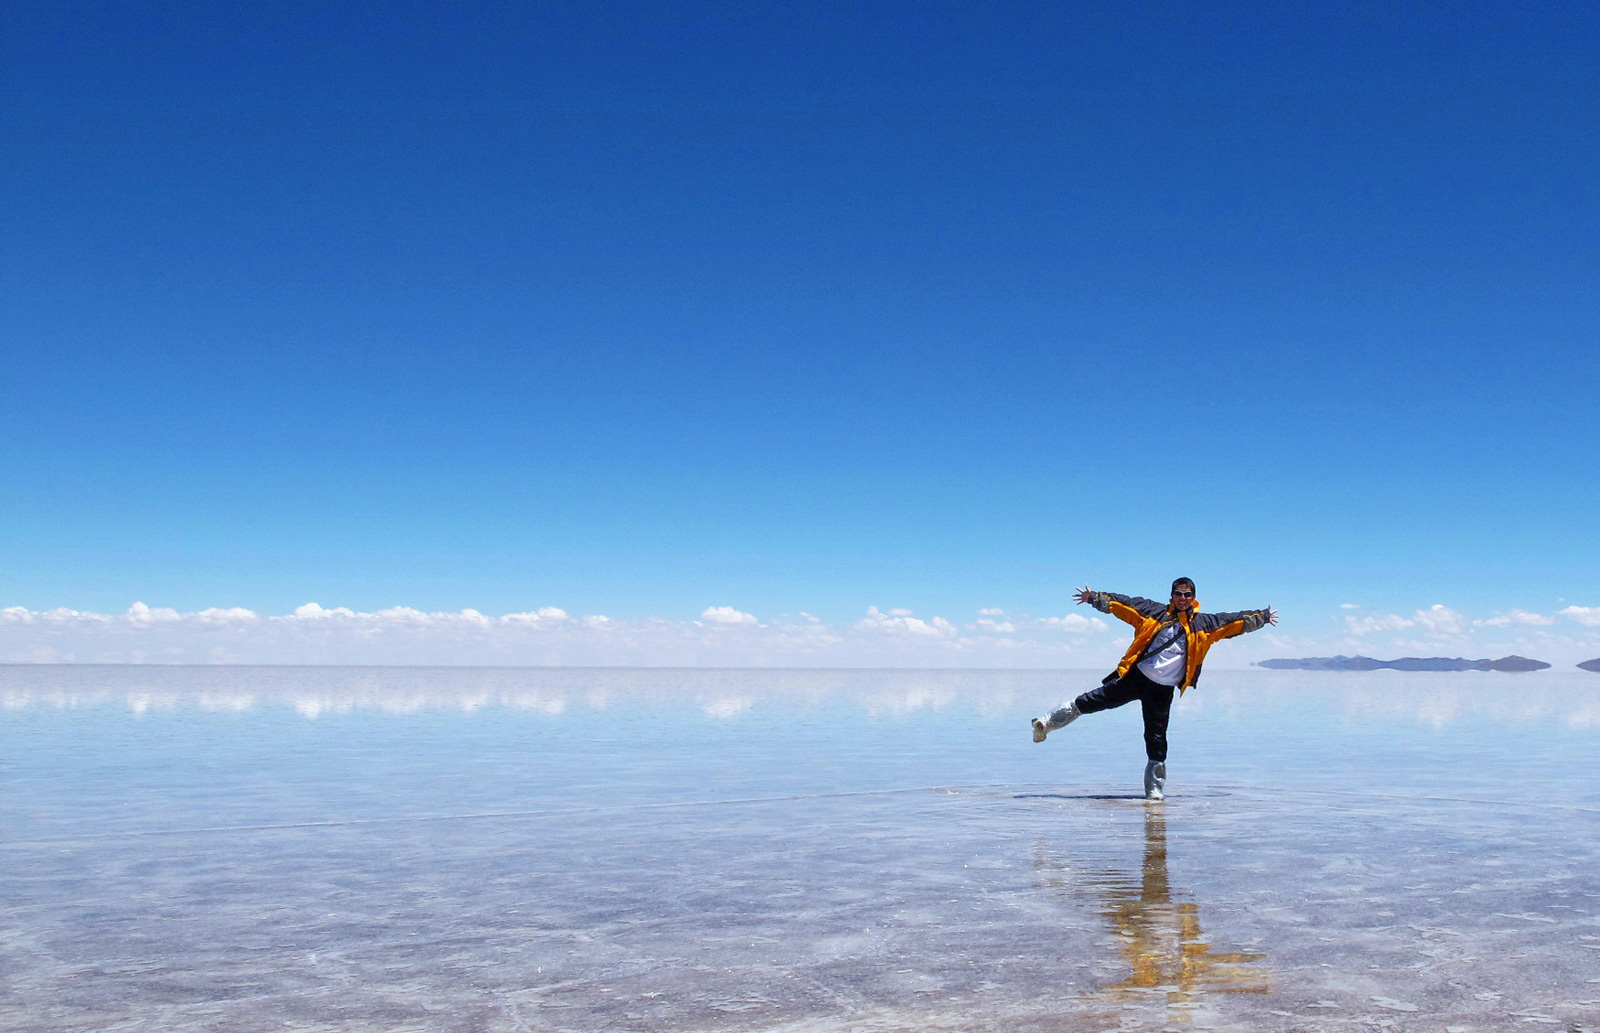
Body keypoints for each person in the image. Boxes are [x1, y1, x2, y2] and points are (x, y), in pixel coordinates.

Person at [1031, 578, 1276, 800]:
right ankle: (1045, 724)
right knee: (1092, 701)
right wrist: (1093, 598)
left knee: (1156, 738)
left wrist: (1263, 617)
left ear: (1194, 597)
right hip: (1136, 677)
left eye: (1187, 594)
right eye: (1178, 594)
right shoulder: (1152, 612)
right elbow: (1122, 605)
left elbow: (1235, 622)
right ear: (1172, 596)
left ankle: (1154, 793)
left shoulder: (1205, 625)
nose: (1182, 598)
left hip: (1162, 690)